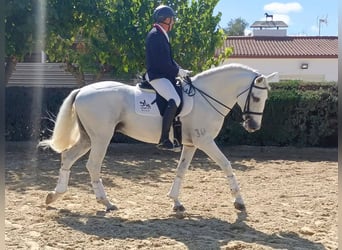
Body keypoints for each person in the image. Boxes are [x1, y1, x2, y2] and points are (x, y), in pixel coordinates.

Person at [145, 4, 191, 151]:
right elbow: (162, 63)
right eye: (172, 19)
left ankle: (176, 137)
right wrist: (177, 72)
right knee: (175, 99)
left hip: (163, 75)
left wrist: (180, 69)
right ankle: (164, 139)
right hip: (157, 76)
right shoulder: (155, 35)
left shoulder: (160, 35)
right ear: (165, 19)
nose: (173, 22)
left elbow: (169, 60)